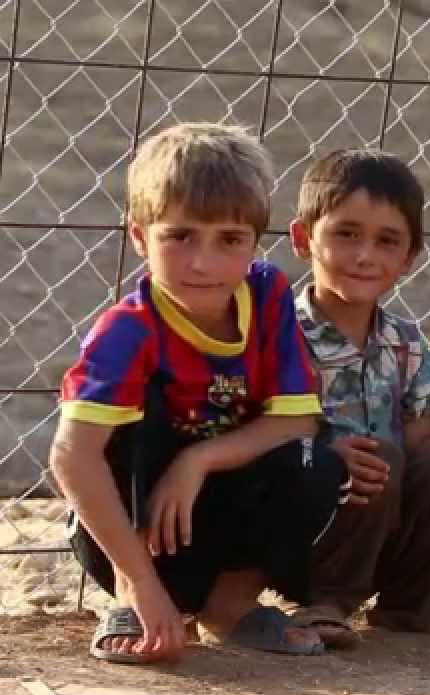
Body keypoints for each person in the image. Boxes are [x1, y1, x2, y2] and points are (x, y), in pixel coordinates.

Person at [52, 122, 344, 663]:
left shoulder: (267, 293)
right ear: (139, 235)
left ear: (255, 242)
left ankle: (230, 607)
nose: (203, 263)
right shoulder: (128, 329)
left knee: (316, 460)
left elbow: (296, 420)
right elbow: (73, 456)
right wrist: (140, 580)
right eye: (180, 236)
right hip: (134, 539)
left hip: (219, 521)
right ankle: (131, 600)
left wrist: (199, 460)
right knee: (127, 415)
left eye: (229, 240)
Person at [288, 149, 430, 647]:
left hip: (386, 516)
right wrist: (325, 456)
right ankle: (325, 601)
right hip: (304, 522)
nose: (365, 256)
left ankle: (417, 603)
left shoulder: (404, 341)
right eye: (346, 234)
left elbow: (418, 442)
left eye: (387, 241)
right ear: (303, 238)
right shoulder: (281, 335)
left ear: (410, 257)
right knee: (374, 456)